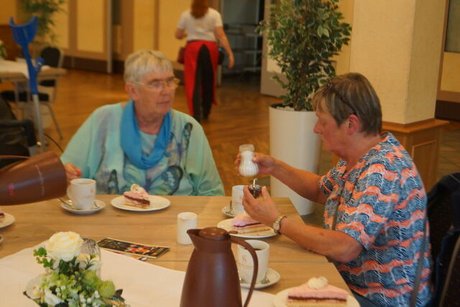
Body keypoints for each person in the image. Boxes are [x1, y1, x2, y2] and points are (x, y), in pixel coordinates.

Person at [236, 73, 432, 306]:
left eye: (322, 121)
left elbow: (345, 247)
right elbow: (321, 189)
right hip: (351, 284)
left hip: (381, 300)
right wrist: (274, 167)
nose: (316, 129)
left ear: (351, 123)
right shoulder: (360, 156)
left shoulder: (383, 171)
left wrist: (277, 221)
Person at [62, 49, 224, 196]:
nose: (166, 91)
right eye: (156, 84)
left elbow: (211, 192)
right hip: (111, 222)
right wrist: (67, 174)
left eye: (170, 82)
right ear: (133, 90)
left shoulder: (188, 127)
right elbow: (67, 173)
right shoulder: (103, 119)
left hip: (174, 223)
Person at [175, 0, 235, 122]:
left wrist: (188, 34)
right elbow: (221, 35)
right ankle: (206, 112)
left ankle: (196, 114)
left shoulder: (186, 14)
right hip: (210, 49)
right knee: (209, 80)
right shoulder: (214, 14)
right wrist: (230, 53)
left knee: (193, 82)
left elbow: (178, 35)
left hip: (192, 48)